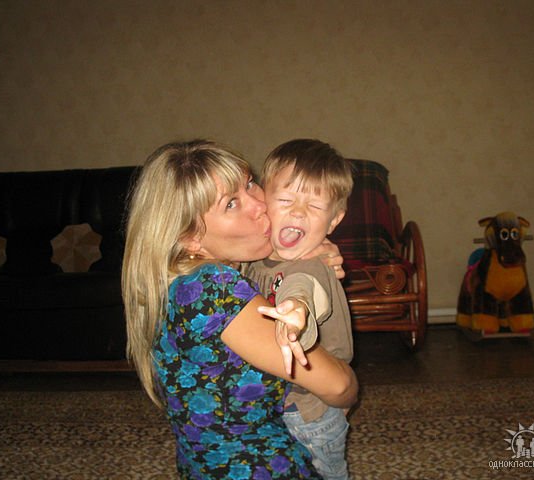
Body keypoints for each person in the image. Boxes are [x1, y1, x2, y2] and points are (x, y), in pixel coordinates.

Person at [121, 139, 358, 479]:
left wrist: (311, 256)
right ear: (190, 237)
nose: (260, 205)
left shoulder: (179, 277)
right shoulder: (214, 289)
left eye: (249, 184)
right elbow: (336, 385)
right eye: (231, 203)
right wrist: (349, 392)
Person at [245, 139, 355, 480]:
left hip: (309, 413)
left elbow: (303, 288)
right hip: (275, 405)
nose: (298, 212)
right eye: (285, 200)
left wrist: (296, 311)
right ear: (263, 202)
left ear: (334, 220)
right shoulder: (255, 259)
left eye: (315, 206)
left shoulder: (313, 265)